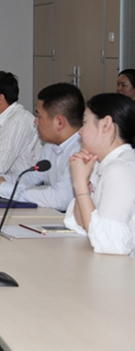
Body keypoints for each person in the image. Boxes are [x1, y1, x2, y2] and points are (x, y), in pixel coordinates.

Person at [0, 83, 84, 211]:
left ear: (59, 122)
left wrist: (2, 187)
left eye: (39, 116)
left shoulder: (82, 151)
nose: (35, 121)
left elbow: (59, 199)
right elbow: (32, 177)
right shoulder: (50, 146)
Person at [64, 93, 135, 257]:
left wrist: (79, 183)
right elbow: (83, 225)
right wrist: (83, 181)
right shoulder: (101, 164)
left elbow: (110, 245)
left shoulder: (121, 169)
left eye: (84, 122)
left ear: (106, 124)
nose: (80, 132)